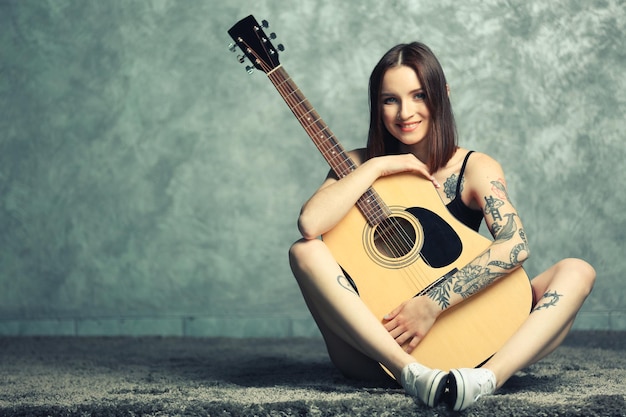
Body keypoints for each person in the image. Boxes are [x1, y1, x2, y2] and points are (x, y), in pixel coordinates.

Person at [288, 42, 596, 411]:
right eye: (390, 100)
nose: (406, 112)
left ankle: (485, 379)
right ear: (376, 105)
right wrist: (379, 166)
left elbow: (515, 244)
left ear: (442, 95)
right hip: (384, 354)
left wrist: (431, 304)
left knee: (578, 270)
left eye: (419, 95)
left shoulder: (474, 168)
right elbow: (310, 223)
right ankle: (414, 374)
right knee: (303, 250)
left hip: (481, 335)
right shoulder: (353, 165)